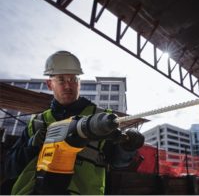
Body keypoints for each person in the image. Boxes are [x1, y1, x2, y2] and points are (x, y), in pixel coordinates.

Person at [2, 51, 144, 195]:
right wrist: (31, 147)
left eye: (73, 79)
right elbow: (10, 168)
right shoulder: (37, 122)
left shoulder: (100, 119)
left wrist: (127, 148)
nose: (68, 86)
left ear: (79, 83)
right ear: (50, 84)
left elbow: (118, 162)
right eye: (61, 80)